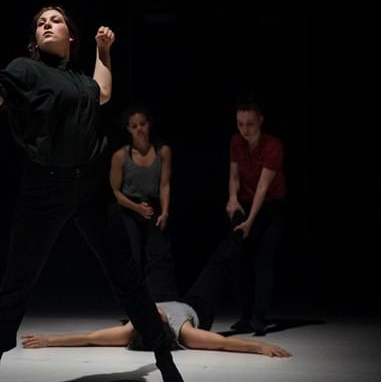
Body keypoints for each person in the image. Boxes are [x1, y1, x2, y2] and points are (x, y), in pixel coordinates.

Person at [0, 6, 188, 382]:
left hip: (92, 188)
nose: (47, 24)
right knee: (18, 277)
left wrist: (104, 51)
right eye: (40, 22)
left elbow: (103, 92)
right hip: (45, 188)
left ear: (71, 36)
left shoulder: (82, 82)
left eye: (56, 20)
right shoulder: (25, 70)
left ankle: (164, 359)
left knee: (126, 277)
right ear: (35, 40)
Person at [21, 213, 291, 358]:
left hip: (165, 295)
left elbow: (89, 338)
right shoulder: (185, 333)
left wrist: (49, 340)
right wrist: (260, 348)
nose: (152, 312)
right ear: (163, 326)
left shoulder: (133, 327)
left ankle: (152, 219)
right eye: (156, 317)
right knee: (215, 268)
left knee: (157, 261)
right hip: (194, 308)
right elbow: (222, 344)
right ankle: (239, 232)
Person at [226, 98, 287, 335]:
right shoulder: (236, 142)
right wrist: (232, 198)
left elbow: (263, 187)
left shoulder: (273, 146)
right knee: (240, 261)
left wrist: (250, 222)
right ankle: (245, 315)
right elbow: (234, 175)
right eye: (240, 124)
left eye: (249, 124)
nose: (244, 129)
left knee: (263, 259)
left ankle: (259, 317)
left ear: (260, 120)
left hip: (271, 207)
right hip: (245, 203)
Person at [110, 106, 177, 302]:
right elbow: (115, 191)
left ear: (149, 125)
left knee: (157, 255)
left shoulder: (162, 151)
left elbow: (164, 184)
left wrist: (164, 212)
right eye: (134, 126)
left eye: (143, 124)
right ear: (128, 129)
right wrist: (136, 208)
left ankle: (159, 301)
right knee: (133, 256)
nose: (139, 129)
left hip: (153, 206)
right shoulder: (121, 156)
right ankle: (135, 303)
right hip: (130, 208)